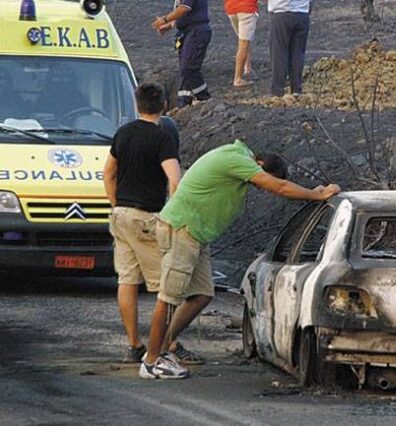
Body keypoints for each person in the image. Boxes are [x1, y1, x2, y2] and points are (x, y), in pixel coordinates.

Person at [139, 140, 341, 379]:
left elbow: (274, 184)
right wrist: (316, 195)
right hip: (182, 228)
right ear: (260, 163)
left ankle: (163, 348)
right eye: (259, 180)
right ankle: (151, 361)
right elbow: (280, 187)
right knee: (169, 297)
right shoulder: (237, 160)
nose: (258, 187)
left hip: (196, 234)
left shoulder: (236, 158)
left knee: (202, 294)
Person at [103, 83, 182, 363]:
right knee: (166, 284)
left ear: (137, 105)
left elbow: (108, 173)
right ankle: (166, 344)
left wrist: (115, 204)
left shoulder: (122, 134)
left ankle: (134, 344)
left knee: (127, 279)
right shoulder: (163, 138)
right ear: (163, 105)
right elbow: (174, 178)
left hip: (121, 214)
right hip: (148, 216)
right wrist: (171, 214)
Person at [152, 0, 212, 108]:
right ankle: (183, 104)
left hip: (196, 31)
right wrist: (169, 26)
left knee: (188, 68)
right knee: (184, 71)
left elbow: (185, 8)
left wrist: (164, 20)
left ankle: (205, 98)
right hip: (187, 32)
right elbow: (184, 13)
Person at [267, 0, 312, 96]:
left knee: (279, 53)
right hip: (302, 13)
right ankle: (296, 89)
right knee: (298, 53)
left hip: (281, 12)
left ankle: (278, 90)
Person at [225, 0, 258, 87]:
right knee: (244, 43)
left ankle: (247, 67)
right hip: (247, 8)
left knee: (243, 39)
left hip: (231, 8)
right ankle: (238, 79)